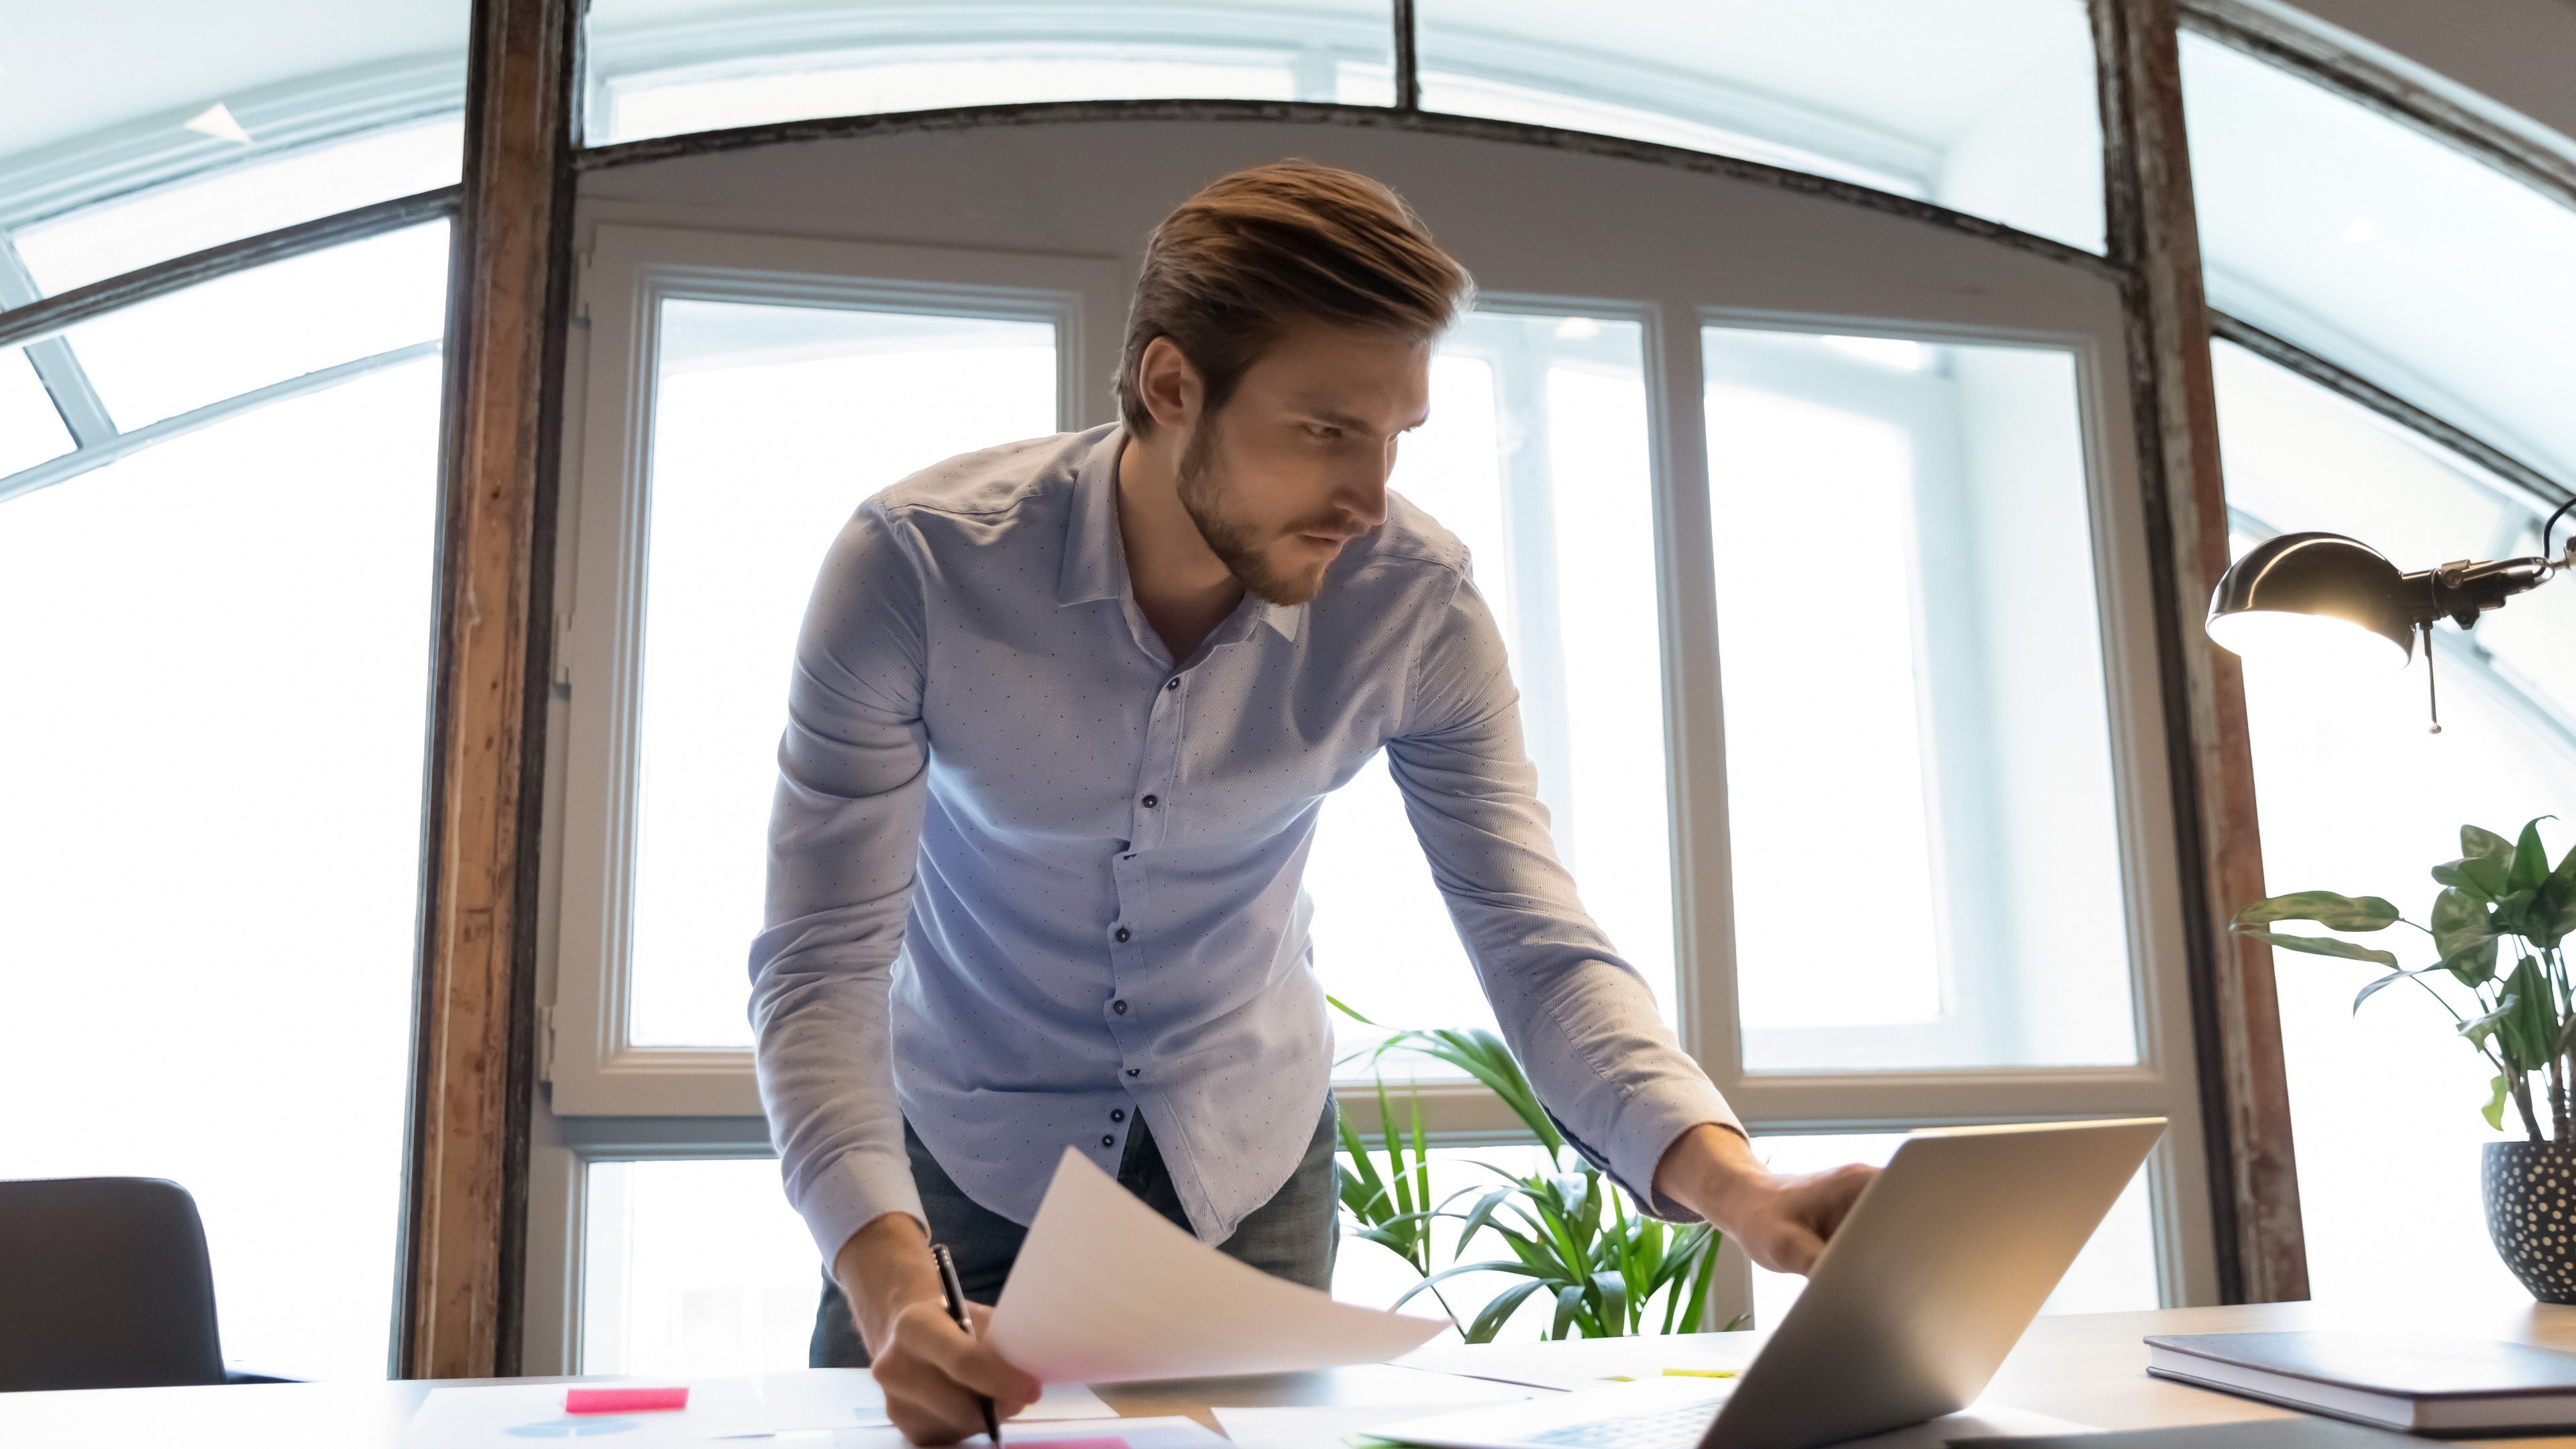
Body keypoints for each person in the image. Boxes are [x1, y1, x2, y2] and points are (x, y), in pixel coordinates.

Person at [751, 158, 1878, 1446]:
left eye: (1396, 436)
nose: (1370, 497)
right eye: (1327, 430)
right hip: (955, 1162)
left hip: (1247, 1162)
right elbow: (819, 967)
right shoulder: (913, 570)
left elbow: (1533, 940)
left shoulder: (1420, 606)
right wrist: (893, 1285)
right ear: (1173, 388)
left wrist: (1739, 1188)